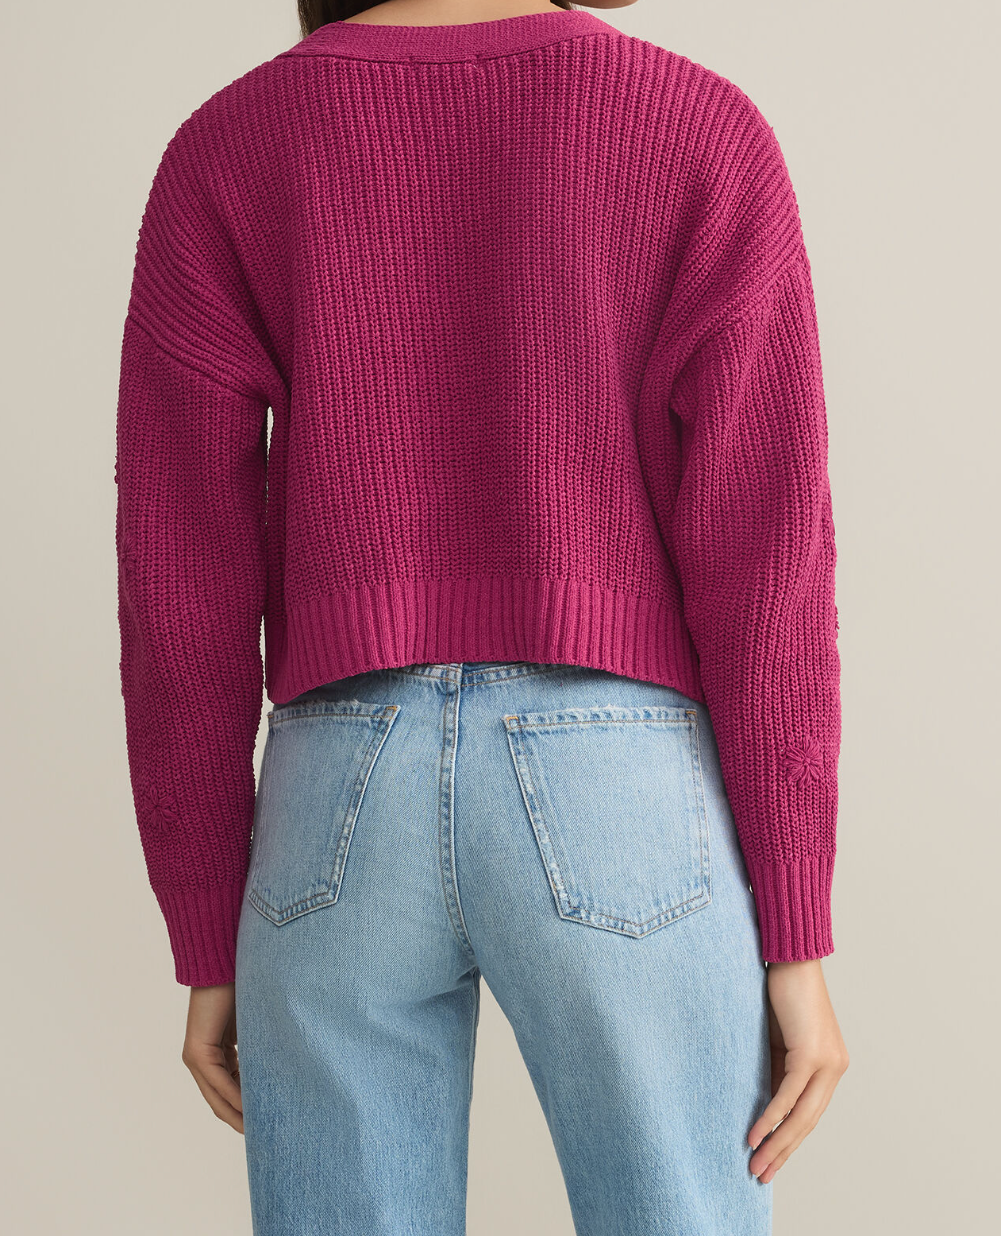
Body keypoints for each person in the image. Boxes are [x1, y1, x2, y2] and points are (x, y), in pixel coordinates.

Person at [114, 1, 849, 1231]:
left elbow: (176, 572)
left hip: (336, 783)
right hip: (616, 776)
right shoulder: (695, 125)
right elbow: (765, 555)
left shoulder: (229, 143)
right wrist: (794, 931)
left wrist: (204, 923)